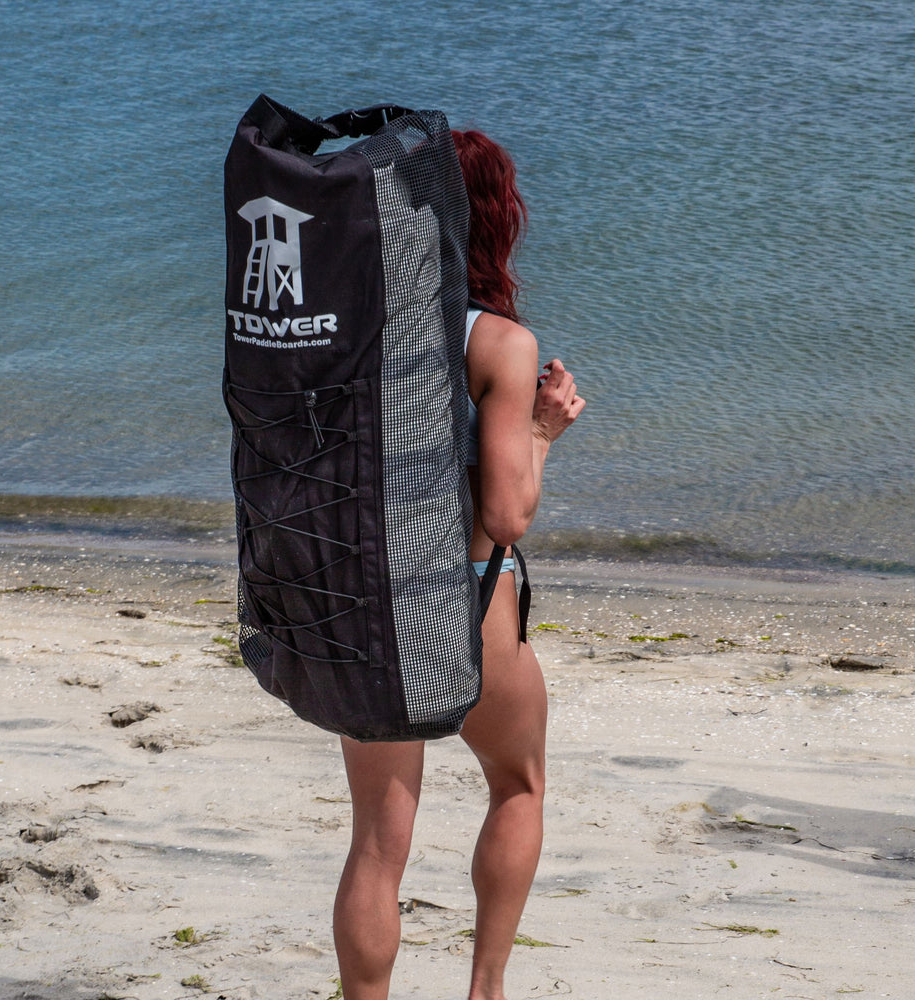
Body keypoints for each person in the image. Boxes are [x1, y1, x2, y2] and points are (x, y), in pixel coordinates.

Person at [331, 128, 585, 1000]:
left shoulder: (351, 322)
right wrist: (544, 434)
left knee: (376, 841)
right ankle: (485, 991)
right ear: (494, 219)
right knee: (517, 784)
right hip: (466, 602)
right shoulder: (500, 344)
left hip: (366, 600)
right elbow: (504, 514)